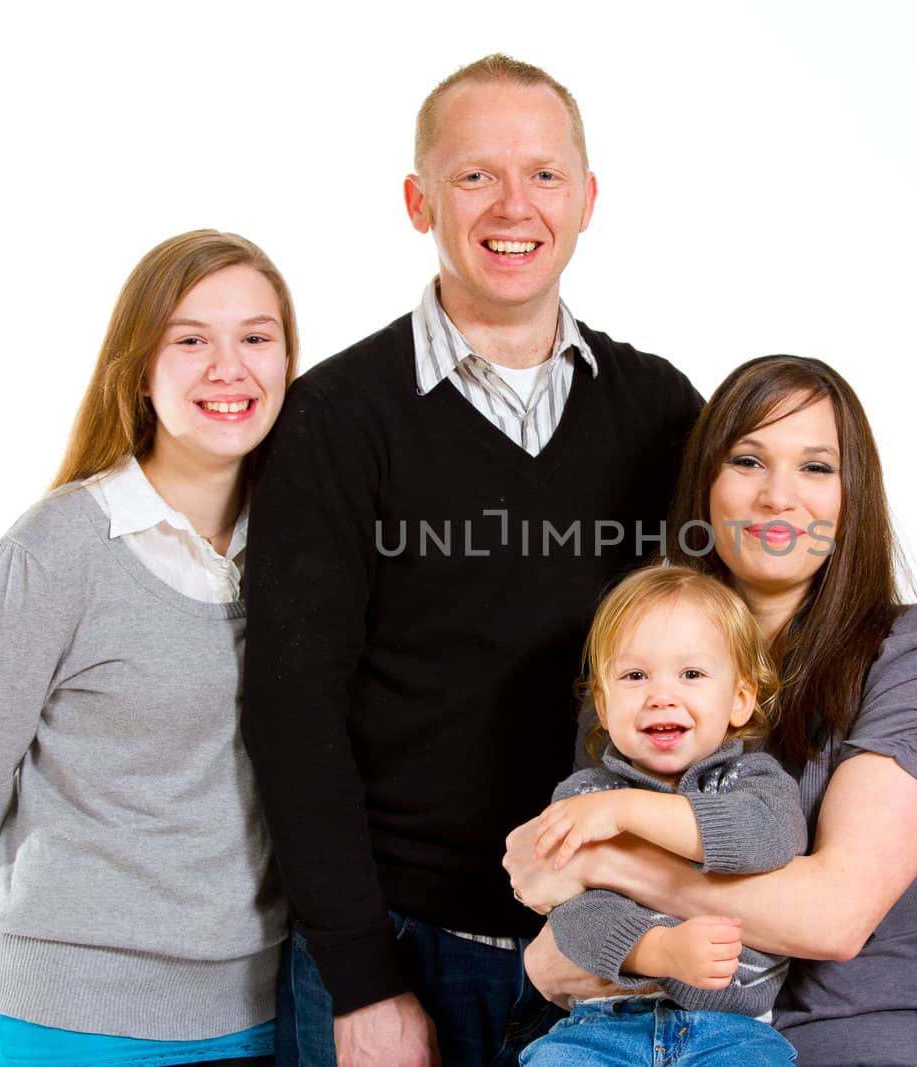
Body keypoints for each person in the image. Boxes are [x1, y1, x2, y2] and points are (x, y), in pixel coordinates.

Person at [242, 54, 703, 1067]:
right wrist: (362, 978)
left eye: (543, 174)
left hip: (608, 948)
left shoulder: (660, 410)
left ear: (587, 200)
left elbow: (732, 643)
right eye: (474, 175)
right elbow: (291, 709)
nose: (514, 205)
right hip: (397, 943)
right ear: (419, 201)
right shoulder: (336, 419)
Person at [506, 355, 917, 1066]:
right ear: (707, 482)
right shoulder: (639, 658)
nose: (778, 496)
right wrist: (551, 948)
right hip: (623, 1039)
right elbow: (555, 914)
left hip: (835, 1047)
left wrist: (610, 854)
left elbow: (834, 916)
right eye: (748, 460)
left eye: (816, 467)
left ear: (854, 494)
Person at [0, 229, 299, 1066]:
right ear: (139, 365)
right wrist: (35, 962)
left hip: (267, 1008)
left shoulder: (304, 550)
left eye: (256, 338)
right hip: (75, 1021)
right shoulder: (54, 554)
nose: (228, 368)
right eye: (191, 339)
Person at [521, 564, 806, 1066]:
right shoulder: (585, 795)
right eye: (635, 676)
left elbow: (765, 838)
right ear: (604, 707)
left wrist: (628, 811)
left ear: (740, 699)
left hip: (732, 1034)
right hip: (604, 1025)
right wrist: (660, 952)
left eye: (691, 674)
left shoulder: (754, 782)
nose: (661, 696)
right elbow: (574, 914)